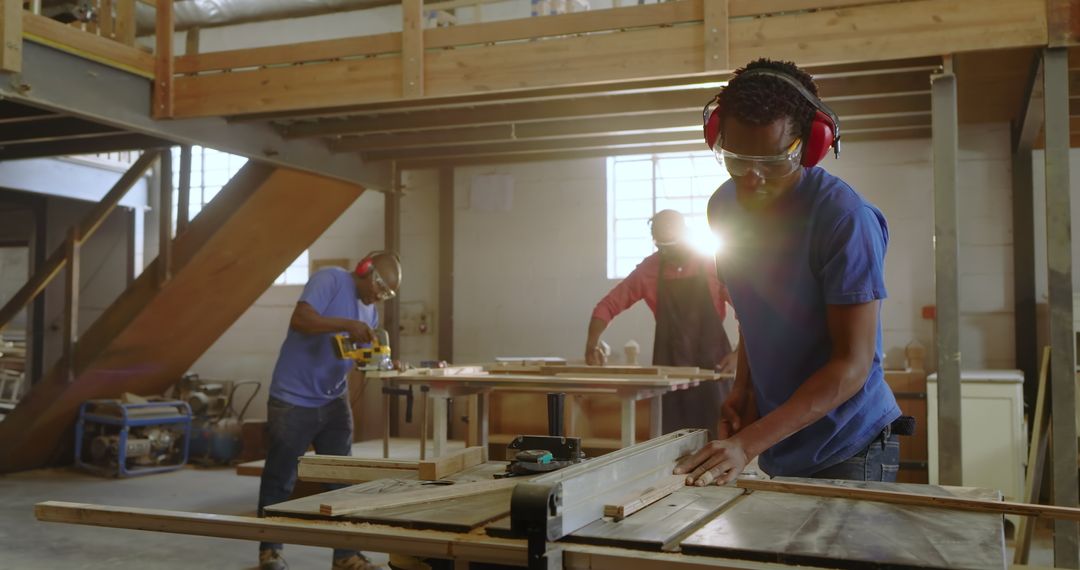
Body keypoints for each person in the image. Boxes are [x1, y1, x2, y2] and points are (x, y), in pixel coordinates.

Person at [675, 58, 908, 487]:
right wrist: (743, 391)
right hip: (781, 442)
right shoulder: (724, 207)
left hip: (848, 445)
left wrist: (748, 444)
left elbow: (852, 364)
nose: (754, 179)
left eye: (774, 161)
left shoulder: (844, 219)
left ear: (811, 145)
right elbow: (752, 313)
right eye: (738, 160)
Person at [257, 252, 401, 570]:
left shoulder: (370, 313)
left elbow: (361, 357)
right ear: (365, 269)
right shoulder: (330, 280)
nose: (378, 297)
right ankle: (270, 552)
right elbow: (301, 320)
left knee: (341, 479)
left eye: (384, 295)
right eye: (378, 288)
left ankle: (345, 554)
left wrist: (383, 362)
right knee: (280, 478)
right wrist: (347, 324)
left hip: (334, 401)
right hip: (293, 399)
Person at [584, 209, 736, 438]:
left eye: (673, 244)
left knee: (716, 438)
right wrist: (592, 341)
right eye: (662, 246)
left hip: (713, 368)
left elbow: (747, 311)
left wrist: (739, 353)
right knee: (671, 441)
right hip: (669, 372)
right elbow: (608, 305)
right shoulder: (650, 269)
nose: (668, 251)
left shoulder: (712, 264)